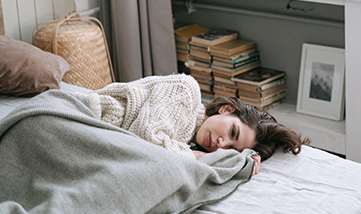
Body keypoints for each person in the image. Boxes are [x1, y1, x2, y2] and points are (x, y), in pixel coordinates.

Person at [86, 74, 309, 175]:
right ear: (227, 109)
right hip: (86, 115)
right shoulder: (186, 91)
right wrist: (200, 157)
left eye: (231, 149)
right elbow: (146, 140)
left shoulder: (190, 140)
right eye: (233, 132)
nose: (221, 144)